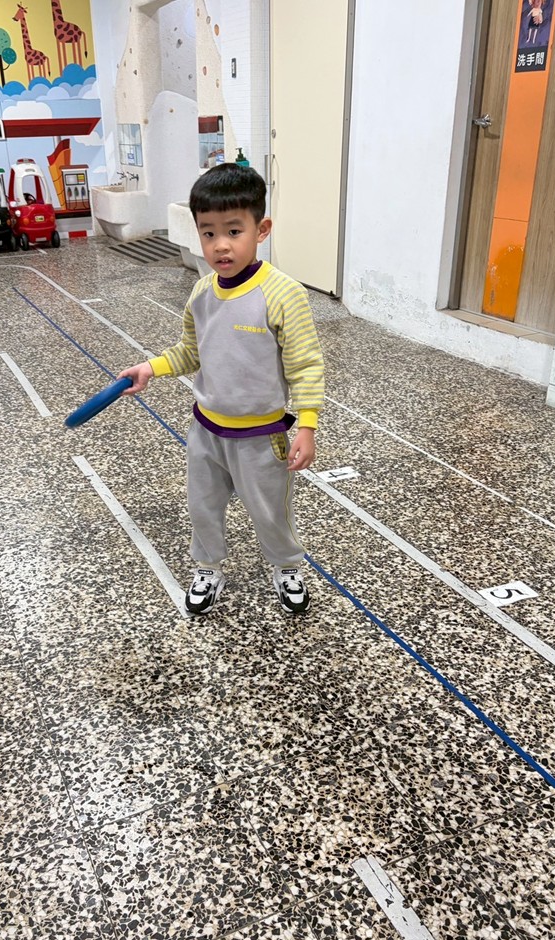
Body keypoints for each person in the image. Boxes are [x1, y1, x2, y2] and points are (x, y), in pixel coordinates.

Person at [118, 163, 324, 616]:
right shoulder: (201, 293)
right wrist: (151, 367)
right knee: (203, 507)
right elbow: (191, 352)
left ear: (261, 229)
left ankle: (287, 567)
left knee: (271, 512)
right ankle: (208, 568)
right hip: (206, 432)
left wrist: (307, 426)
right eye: (208, 233)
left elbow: (306, 366)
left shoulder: (283, 294)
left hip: (262, 438)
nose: (221, 245)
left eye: (234, 230)